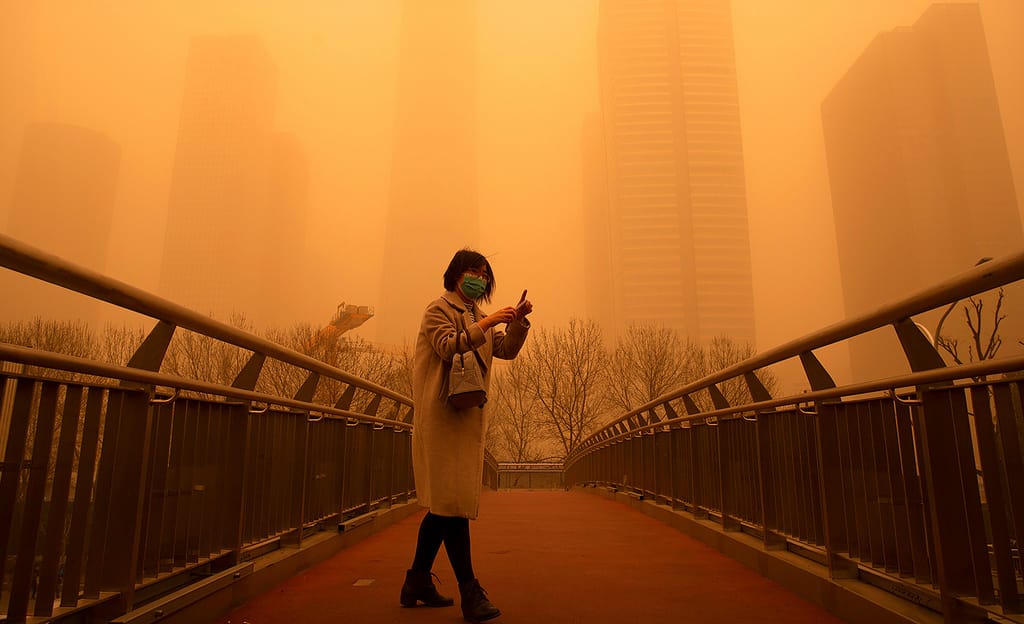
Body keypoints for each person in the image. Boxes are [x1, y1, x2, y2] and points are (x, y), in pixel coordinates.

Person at [400, 248, 533, 623]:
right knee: (452, 506)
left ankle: (417, 581)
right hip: (442, 420)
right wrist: (489, 322)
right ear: (456, 274)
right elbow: (447, 346)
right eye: (473, 271)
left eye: (484, 274)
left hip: (466, 419)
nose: (479, 278)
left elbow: (503, 351)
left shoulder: (476, 316)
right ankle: (470, 591)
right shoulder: (437, 310)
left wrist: (517, 323)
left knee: (446, 505)